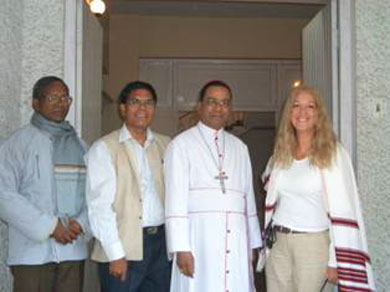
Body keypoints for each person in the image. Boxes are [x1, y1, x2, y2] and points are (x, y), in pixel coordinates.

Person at [260, 85, 376, 291]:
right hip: (278, 242)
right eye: (296, 106)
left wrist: (334, 260)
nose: (302, 112)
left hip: (313, 244)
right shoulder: (281, 152)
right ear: (289, 113)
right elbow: (268, 184)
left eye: (310, 106)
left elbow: (344, 209)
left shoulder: (333, 154)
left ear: (319, 114)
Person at [164, 80, 262, 292]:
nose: (219, 108)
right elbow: (174, 200)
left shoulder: (240, 148)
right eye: (212, 102)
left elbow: (248, 200)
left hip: (236, 240)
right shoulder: (180, 145)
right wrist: (180, 247)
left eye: (225, 103)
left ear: (231, 109)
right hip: (199, 240)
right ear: (199, 106)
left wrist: (253, 243)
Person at [0, 76, 89, 292]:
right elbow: (4, 195)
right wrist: (50, 227)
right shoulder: (17, 144)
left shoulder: (81, 146)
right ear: (36, 103)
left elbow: (94, 195)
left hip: (72, 250)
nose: (61, 103)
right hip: (32, 253)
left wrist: (82, 223)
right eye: (53, 97)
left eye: (65, 98)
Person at [86, 81, 172, 292]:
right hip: (123, 245)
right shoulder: (105, 148)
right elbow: (99, 207)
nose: (142, 109)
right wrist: (116, 255)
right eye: (135, 102)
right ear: (122, 108)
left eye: (148, 103)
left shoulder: (167, 145)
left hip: (161, 246)